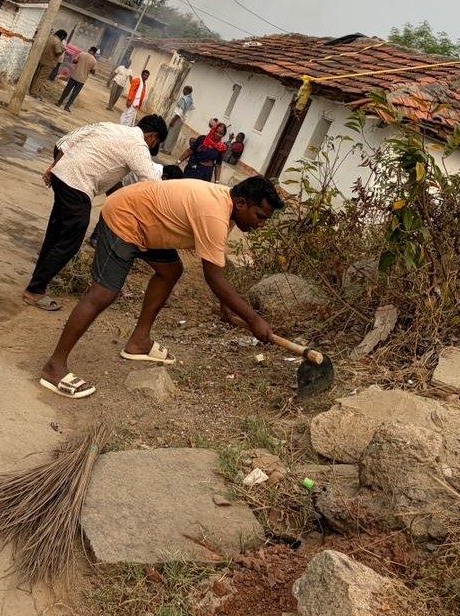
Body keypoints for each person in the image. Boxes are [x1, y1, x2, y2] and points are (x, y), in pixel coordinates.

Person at [38, 176, 285, 398]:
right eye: (260, 216)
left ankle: (139, 341)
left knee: (171, 271)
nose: (261, 224)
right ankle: (54, 367)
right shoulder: (215, 214)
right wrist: (253, 320)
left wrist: (227, 307)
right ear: (241, 203)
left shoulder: (226, 206)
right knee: (103, 293)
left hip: (147, 221)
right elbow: (214, 278)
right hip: (125, 217)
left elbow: (215, 264)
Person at [22, 114, 169, 312]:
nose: (151, 148)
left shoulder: (109, 127)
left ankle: (40, 278)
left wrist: (53, 167)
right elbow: (152, 184)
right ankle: (35, 290)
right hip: (78, 185)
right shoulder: (138, 145)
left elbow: (65, 142)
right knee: (71, 241)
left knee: (56, 233)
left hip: (62, 175)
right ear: (153, 137)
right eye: (154, 144)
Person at [57, 46, 98, 112]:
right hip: (82, 79)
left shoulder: (82, 54)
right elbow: (93, 71)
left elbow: (74, 61)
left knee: (67, 90)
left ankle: (59, 102)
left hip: (74, 76)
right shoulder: (94, 61)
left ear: (89, 49)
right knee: (74, 94)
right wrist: (89, 69)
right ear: (95, 53)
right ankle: (67, 107)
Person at [31, 29, 67, 97]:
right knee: (41, 78)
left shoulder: (49, 37)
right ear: (62, 37)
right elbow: (57, 52)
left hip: (41, 59)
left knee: (36, 76)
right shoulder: (57, 42)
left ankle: (31, 90)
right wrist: (63, 50)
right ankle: (34, 92)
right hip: (49, 62)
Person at [162, 86, 195, 153]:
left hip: (177, 118)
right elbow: (190, 109)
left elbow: (180, 111)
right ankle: (170, 149)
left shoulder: (184, 99)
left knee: (171, 133)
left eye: (184, 89)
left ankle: (166, 149)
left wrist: (173, 120)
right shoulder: (190, 100)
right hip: (182, 119)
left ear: (187, 90)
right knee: (175, 135)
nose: (183, 91)